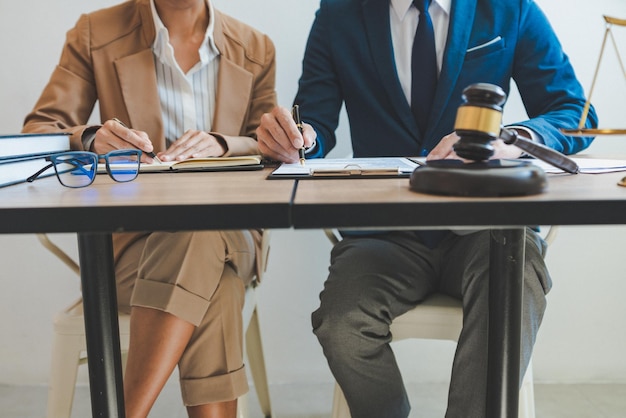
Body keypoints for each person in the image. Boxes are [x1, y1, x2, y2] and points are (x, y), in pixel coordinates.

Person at [257, 0, 597, 417]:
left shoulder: (510, 8)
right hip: (383, 237)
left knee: (516, 277)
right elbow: (315, 121)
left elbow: (574, 114)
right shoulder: (339, 13)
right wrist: (298, 139)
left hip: (487, 228)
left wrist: (508, 138)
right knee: (341, 324)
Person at [22, 0, 276, 417]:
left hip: (237, 236)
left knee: (199, 231)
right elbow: (40, 130)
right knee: (219, 289)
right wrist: (91, 138)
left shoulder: (255, 47)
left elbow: (270, 145)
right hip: (133, 247)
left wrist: (224, 144)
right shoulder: (95, 32)